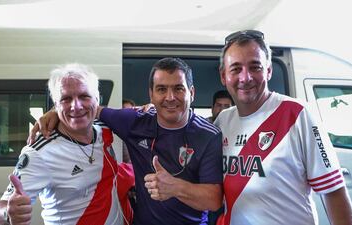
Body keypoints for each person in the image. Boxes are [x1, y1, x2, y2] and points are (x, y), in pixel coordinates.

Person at [28, 58, 223, 225]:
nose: (170, 97)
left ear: (192, 92)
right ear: (151, 95)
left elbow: (214, 200)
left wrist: (175, 187)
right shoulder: (135, 121)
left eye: (178, 89)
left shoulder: (208, 135)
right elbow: (90, 108)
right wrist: (56, 112)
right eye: (161, 89)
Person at [214, 29, 352, 225]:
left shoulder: (298, 114)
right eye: (236, 69)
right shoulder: (222, 121)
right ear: (224, 76)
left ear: (269, 70)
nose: (245, 77)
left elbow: (334, 193)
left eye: (255, 67)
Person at [0, 64, 134, 225]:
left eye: (84, 96)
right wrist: (7, 213)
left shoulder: (106, 128)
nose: (76, 106)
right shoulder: (40, 152)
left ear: (97, 99)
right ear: (56, 104)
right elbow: (1, 206)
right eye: (66, 99)